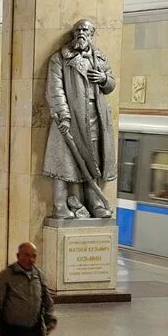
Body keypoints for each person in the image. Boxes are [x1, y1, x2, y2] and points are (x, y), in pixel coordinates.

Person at [44, 19, 117, 219]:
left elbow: (111, 84)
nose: (81, 33)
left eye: (85, 30)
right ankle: (62, 205)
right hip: (73, 117)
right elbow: (55, 90)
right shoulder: (60, 59)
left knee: (93, 160)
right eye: (78, 30)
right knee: (65, 163)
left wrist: (103, 79)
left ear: (92, 33)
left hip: (96, 116)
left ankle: (94, 203)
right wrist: (63, 116)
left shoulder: (100, 58)